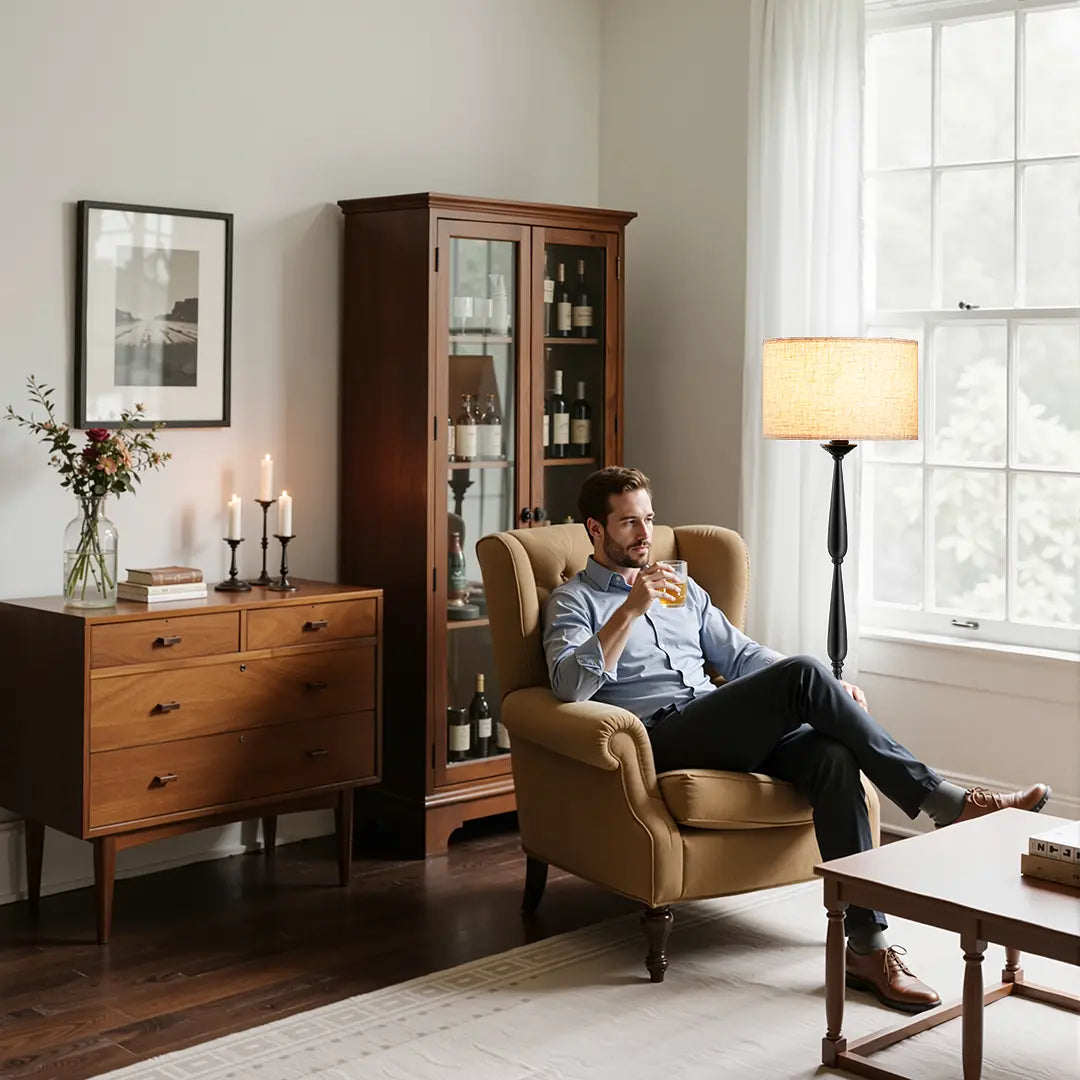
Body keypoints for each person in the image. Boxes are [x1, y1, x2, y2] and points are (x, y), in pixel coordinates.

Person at [543, 466, 1051, 1014]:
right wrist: (630, 609)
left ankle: (867, 947)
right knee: (806, 673)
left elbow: (740, 657)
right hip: (661, 737)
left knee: (832, 756)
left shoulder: (682, 588)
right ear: (595, 529)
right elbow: (570, 686)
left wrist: (828, 690)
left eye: (648, 518)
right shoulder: (574, 602)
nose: (644, 534)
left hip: (719, 723)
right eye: (627, 523)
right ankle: (949, 803)